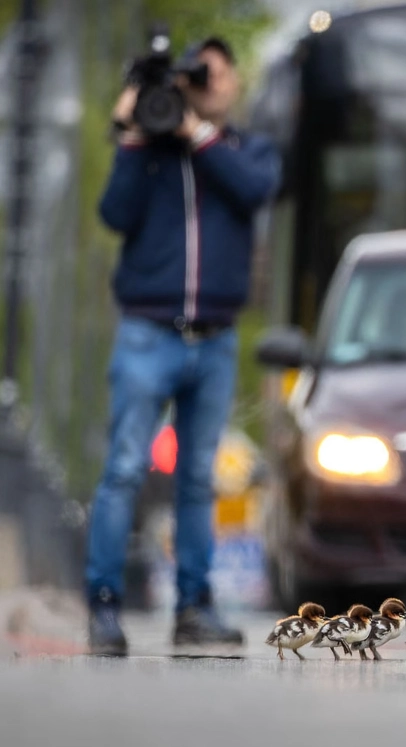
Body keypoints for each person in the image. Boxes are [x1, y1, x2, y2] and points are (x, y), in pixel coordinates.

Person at [86, 36, 281, 654]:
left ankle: (194, 608)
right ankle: (104, 607)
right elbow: (114, 216)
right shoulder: (149, 154)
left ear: (233, 84)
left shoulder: (246, 150)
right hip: (148, 333)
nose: (205, 84)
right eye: (195, 76)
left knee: (199, 478)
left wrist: (197, 132)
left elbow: (254, 191)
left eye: (214, 75)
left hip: (215, 339)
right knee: (123, 470)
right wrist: (134, 136)